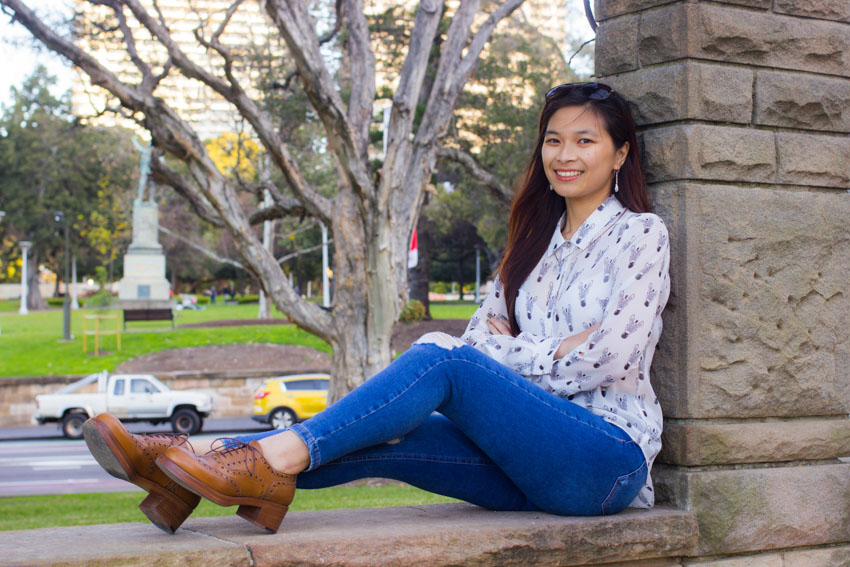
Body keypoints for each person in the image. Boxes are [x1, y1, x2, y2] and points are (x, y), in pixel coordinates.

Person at [83, 82, 670, 535]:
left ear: (619, 154)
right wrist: (550, 350)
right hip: (521, 466)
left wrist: (510, 352)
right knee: (386, 435)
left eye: (584, 141)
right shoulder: (529, 247)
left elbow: (608, 359)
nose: (565, 155)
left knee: (440, 357)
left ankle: (214, 458)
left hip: (603, 461)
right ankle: (190, 472)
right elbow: (481, 344)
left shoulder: (641, 236)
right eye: (553, 140)